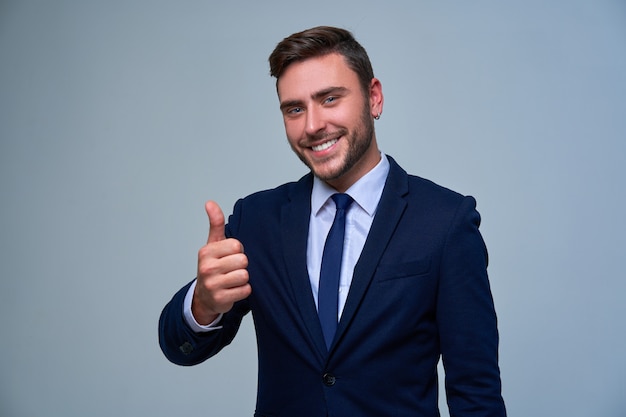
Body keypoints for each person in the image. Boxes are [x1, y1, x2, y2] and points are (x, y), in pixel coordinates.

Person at [159, 26, 506, 417]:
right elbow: (179, 347)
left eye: (329, 99)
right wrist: (203, 305)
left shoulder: (445, 222)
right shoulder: (257, 221)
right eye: (294, 109)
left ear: (373, 98)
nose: (312, 125)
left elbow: (476, 394)